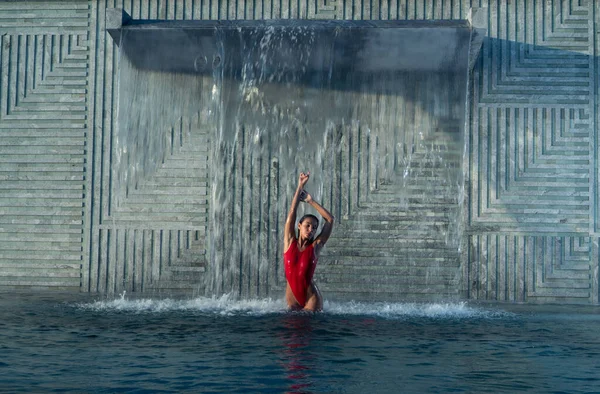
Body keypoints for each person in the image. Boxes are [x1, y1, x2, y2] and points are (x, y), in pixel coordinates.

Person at [283, 171, 334, 312]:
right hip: (291, 297)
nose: (311, 229)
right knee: (290, 332)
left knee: (308, 330)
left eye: (314, 228)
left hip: (311, 298)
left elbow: (330, 219)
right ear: (299, 226)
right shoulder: (289, 242)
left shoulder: (315, 246)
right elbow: (292, 212)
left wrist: (310, 201)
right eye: (307, 226)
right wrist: (300, 186)